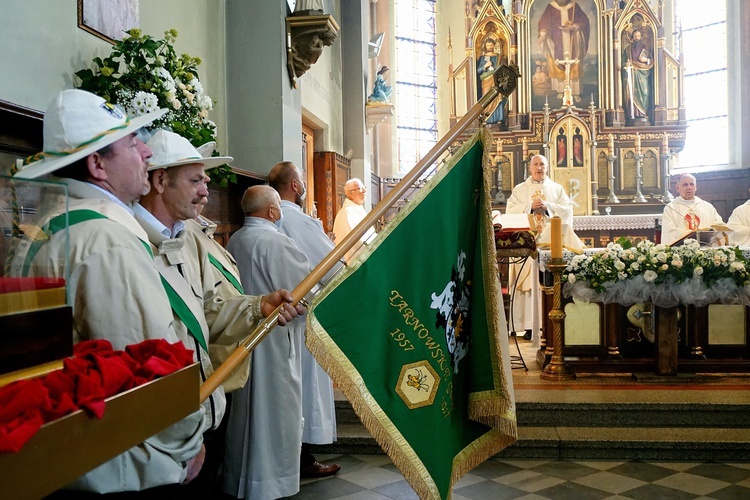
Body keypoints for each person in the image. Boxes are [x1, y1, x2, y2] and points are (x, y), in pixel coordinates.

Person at [10, 89, 207, 494]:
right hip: (120, 463)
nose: (147, 154)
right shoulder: (105, 239)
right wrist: (186, 446)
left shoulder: (48, 224)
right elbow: (149, 368)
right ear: (98, 165)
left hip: (59, 455)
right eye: (133, 144)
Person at [136, 130, 304, 495]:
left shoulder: (185, 236)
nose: (205, 191)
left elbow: (206, 311)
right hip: (161, 422)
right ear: (160, 181)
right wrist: (179, 434)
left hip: (202, 403)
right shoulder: (129, 242)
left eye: (205, 180)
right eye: (196, 180)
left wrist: (258, 305)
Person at [222, 186, 312, 499]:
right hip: (274, 338)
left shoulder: (235, 239)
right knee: (275, 412)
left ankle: (241, 478)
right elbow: (304, 290)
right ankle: (270, 482)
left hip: (242, 335)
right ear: (273, 211)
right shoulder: (274, 241)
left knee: (247, 411)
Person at [269, 161, 342, 479]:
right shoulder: (298, 221)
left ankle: (293, 456)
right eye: (302, 181)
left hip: (269, 315)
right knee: (304, 389)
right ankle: (301, 457)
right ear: (296, 186)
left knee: (285, 389)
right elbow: (331, 266)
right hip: (301, 318)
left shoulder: (266, 220)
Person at [506, 155, 575, 342]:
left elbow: (568, 211)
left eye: (542, 164)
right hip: (526, 244)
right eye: (535, 164)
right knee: (528, 285)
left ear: (547, 167)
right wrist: (529, 206)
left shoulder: (556, 189)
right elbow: (510, 211)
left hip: (549, 244)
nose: (539, 167)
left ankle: (546, 324)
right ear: (529, 168)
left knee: (547, 282)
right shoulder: (520, 190)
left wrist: (548, 208)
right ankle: (528, 325)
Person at [537, 0, 590, 97]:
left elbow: (584, 21)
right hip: (557, 41)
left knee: (575, 63)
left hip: (573, 42)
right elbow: (544, 21)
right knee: (557, 61)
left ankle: (575, 92)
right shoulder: (551, 7)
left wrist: (574, 26)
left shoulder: (574, 6)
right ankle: (560, 90)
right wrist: (543, 33)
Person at [661, 173, 725, 246]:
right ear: (677, 188)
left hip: (706, 249)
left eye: (692, 184)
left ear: (695, 187)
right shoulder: (671, 208)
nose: (689, 187)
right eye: (685, 184)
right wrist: (691, 234)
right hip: (682, 250)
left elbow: (719, 226)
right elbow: (669, 231)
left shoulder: (707, 206)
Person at [332, 177, 376, 262]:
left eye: (364, 188)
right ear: (351, 193)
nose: (364, 191)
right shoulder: (347, 213)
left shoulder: (356, 209)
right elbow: (357, 242)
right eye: (360, 189)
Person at [622, 27, 653, 123]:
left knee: (644, 92)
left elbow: (651, 61)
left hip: (643, 74)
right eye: (635, 36)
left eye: (638, 36)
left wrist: (646, 60)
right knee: (631, 93)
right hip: (631, 74)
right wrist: (626, 64)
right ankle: (633, 114)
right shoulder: (627, 50)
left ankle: (643, 113)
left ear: (641, 37)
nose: (637, 38)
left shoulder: (645, 48)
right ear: (632, 37)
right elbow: (622, 62)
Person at [476, 37, 507, 125]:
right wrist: (485, 66)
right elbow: (478, 71)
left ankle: (498, 118)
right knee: (487, 98)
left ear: (494, 45)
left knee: (497, 97)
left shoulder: (499, 57)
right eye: (487, 45)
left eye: (491, 45)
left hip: (497, 81)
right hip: (486, 81)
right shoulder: (482, 58)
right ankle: (487, 118)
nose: (489, 46)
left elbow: (504, 69)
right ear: (485, 46)